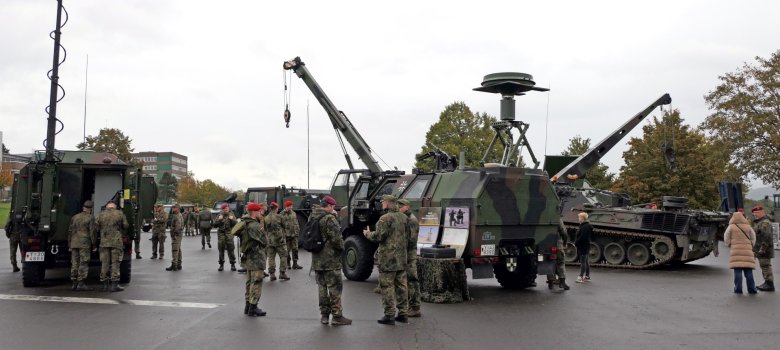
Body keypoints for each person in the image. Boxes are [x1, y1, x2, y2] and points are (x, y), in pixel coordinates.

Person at [364, 194, 409, 325]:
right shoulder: (404, 218)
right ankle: (403, 314)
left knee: (387, 286)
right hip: (401, 257)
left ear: (388, 203)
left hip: (388, 259)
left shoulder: (385, 218)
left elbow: (378, 237)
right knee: (401, 285)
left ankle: (389, 315)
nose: (382, 204)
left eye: (383, 202)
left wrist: (368, 234)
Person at [312, 195, 352, 325]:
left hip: (317, 259)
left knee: (322, 287)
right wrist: (342, 248)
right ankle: (337, 316)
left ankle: (324, 316)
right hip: (331, 260)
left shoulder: (313, 216)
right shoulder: (330, 218)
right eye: (333, 206)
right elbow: (336, 240)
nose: (334, 209)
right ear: (328, 206)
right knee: (335, 288)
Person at [239, 202, 268, 317]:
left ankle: (247, 306)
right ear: (255, 212)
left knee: (249, 281)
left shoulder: (245, 223)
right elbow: (265, 241)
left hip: (248, 257)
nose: (260, 213)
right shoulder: (255, 226)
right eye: (259, 211)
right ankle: (253, 307)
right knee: (256, 282)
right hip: (256, 257)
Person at [96, 201, 129, 292]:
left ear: (107, 207)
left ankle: (104, 285)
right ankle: (114, 285)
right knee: (115, 263)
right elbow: (125, 226)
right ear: (114, 207)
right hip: (116, 242)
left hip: (104, 242)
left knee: (104, 263)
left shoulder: (100, 214)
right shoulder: (120, 214)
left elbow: (96, 227)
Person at [724, 211, 758, 294]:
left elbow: (726, 237)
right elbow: (753, 237)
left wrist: (729, 245)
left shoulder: (731, 227)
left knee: (738, 272)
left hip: (736, 251)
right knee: (748, 272)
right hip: (747, 251)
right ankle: (752, 289)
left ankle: (738, 289)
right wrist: (751, 245)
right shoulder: (748, 226)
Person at [398, 199, 422, 317]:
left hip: (409, 255)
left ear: (407, 207)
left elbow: (411, 240)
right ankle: (410, 306)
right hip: (405, 254)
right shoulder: (404, 219)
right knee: (406, 280)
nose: (399, 208)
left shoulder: (411, 220)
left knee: (412, 280)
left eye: (401, 206)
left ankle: (415, 307)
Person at [68, 200, 96, 291]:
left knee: (74, 263)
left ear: (83, 208)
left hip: (74, 243)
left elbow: (70, 231)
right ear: (90, 209)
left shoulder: (74, 217)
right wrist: (94, 244)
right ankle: (81, 283)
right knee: (83, 262)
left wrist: (69, 244)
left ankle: (74, 283)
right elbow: (92, 232)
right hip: (84, 243)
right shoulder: (90, 218)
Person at [751, 205, 775, 291]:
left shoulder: (765, 223)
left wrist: (763, 249)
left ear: (762, 212)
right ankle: (767, 282)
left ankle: (769, 284)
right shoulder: (759, 222)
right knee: (763, 266)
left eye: (756, 213)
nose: (755, 215)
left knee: (765, 266)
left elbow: (766, 237)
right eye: (754, 213)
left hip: (765, 249)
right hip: (761, 249)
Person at [265, 202, 289, 281]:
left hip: (270, 240)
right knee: (283, 256)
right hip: (279, 240)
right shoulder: (279, 217)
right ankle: (282, 273)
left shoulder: (266, 218)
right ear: (276, 208)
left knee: (271, 257)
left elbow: (265, 229)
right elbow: (284, 226)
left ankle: (272, 274)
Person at [546, 218, 570, 291]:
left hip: (545, 244)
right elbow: (564, 232)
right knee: (561, 262)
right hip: (557, 244)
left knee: (549, 262)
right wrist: (565, 243)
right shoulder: (557, 217)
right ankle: (562, 282)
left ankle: (551, 283)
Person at [214, 203, 238, 272]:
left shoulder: (231, 214)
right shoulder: (219, 215)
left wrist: (231, 220)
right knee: (221, 249)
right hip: (221, 234)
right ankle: (221, 264)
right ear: (222, 209)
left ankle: (232, 264)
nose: (226, 209)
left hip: (229, 233)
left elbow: (235, 224)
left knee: (231, 249)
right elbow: (214, 225)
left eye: (227, 208)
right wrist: (219, 220)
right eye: (224, 208)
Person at [281, 200, 302, 270]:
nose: (290, 207)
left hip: (294, 234)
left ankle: (295, 264)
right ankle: (288, 263)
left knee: (295, 249)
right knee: (287, 250)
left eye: (291, 206)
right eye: (289, 206)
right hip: (287, 235)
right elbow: (280, 225)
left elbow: (296, 222)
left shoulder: (294, 213)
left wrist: (298, 230)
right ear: (286, 207)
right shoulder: (282, 214)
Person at [574, 212, 592, 283]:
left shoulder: (585, 227)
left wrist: (576, 243)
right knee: (586, 261)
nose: (578, 219)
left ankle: (580, 277)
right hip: (586, 245)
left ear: (582, 218)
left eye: (579, 217)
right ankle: (587, 276)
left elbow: (582, 237)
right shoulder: (586, 226)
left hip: (583, 246)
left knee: (583, 262)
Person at [166, 204, 184, 271]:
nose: (173, 209)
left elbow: (178, 227)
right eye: (173, 208)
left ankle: (174, 265)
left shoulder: (177, 216)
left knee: (175, 250)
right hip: (179, 234)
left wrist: (174, 234)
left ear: (178, 208)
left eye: (174, 208)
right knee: (178, 249)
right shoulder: (179, 215)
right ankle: (179, 264)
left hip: (176, 235)